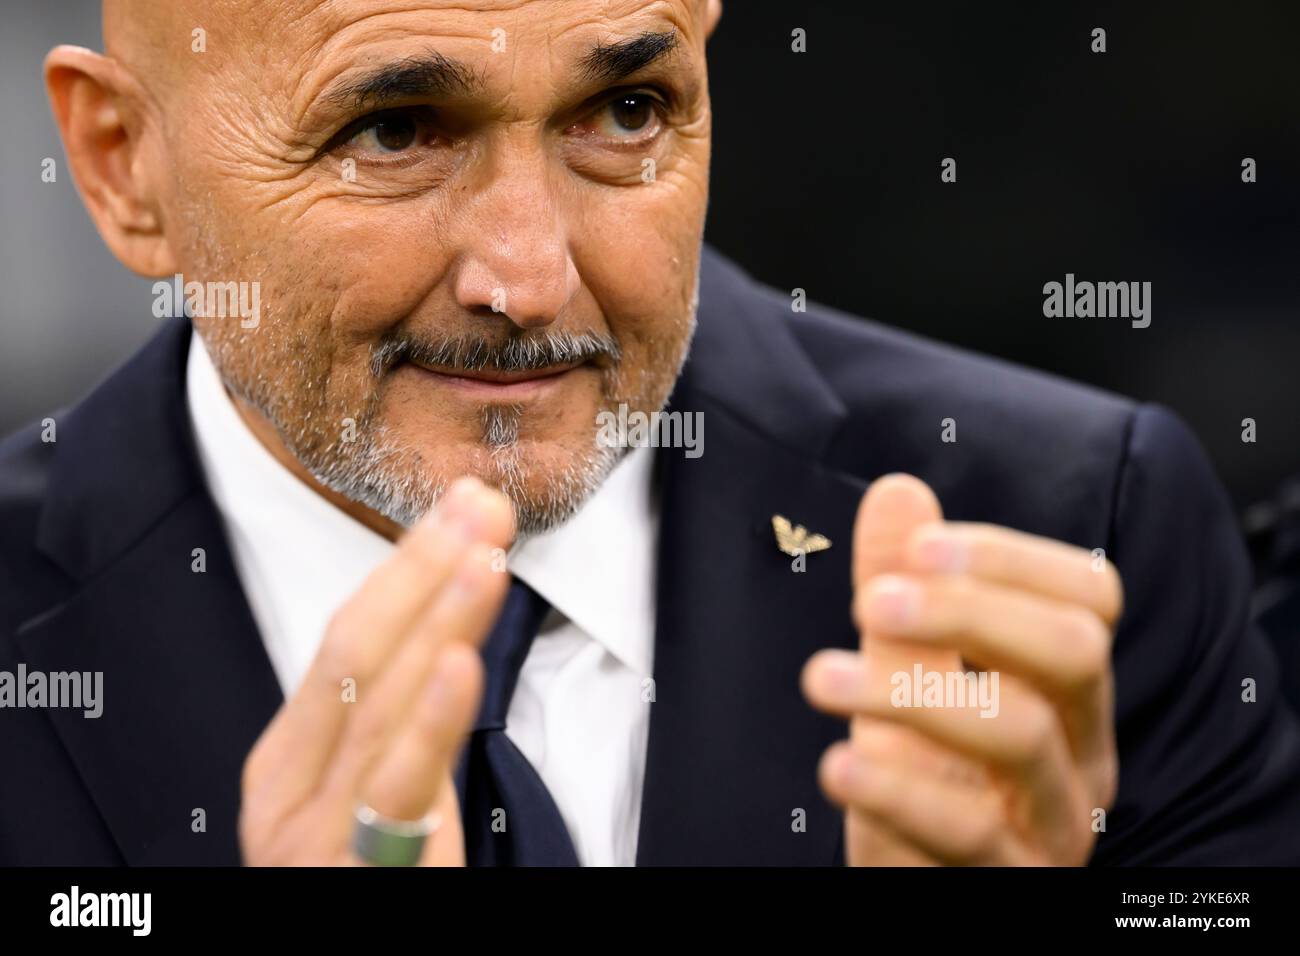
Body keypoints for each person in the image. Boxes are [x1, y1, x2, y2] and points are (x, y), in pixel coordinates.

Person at [2, 0, 1297, 866]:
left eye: (624, 113)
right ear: (124, 167)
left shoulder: (1081, 535)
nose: (529, 278)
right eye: (393, 133)